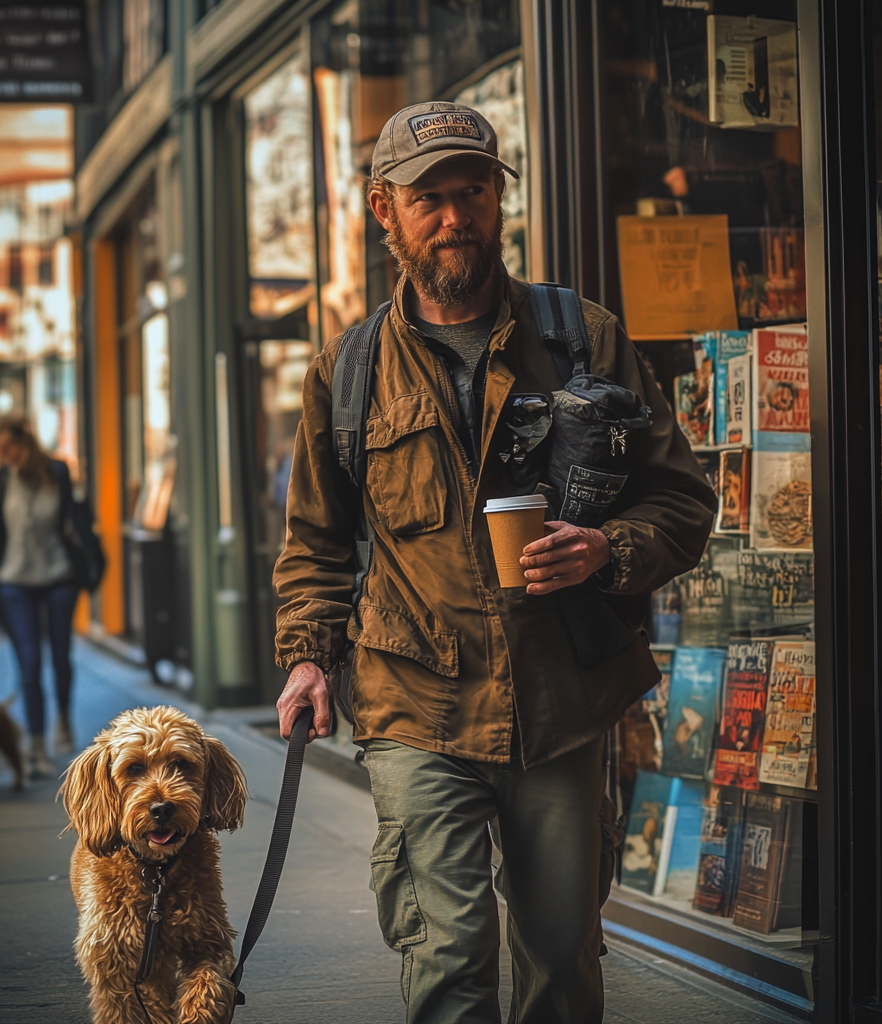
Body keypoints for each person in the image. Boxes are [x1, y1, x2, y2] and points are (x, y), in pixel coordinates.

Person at [272, 101, 717, 1023]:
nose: (453, 216)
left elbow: (682, 500)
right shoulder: (347, 373)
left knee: (560, 962)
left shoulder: (581, 338)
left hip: (560, 699)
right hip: (415, 702)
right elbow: (315, 543)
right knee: (448, 956)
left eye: (471, 191)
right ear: (381, 210)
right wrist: (308, 656)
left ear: (499, 199)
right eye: (427, 197)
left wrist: (607, 547)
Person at [0, 416, 82, 778]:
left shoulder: (58, 472)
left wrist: (85, 565)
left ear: (24, 443)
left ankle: (63, 719)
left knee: (61, 657)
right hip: (14, 580)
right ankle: (36, 743)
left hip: (58, 577)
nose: (1, 456)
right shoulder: (0, 480)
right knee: (29, 662)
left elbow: (74, 522)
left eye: (7, 448)